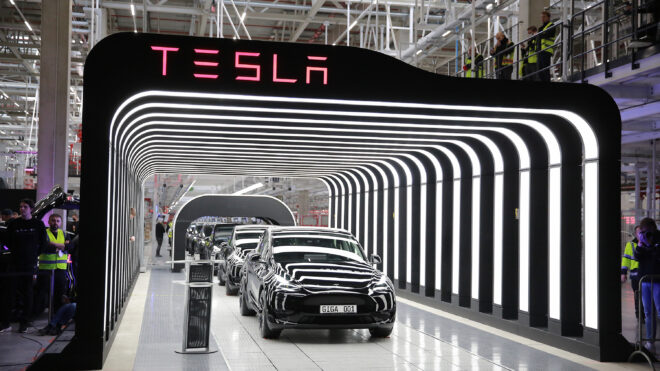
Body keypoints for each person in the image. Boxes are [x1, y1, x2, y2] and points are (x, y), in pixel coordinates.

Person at [5, 199, 48, 333]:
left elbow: (43, 243)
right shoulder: (13, 224)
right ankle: (5, 323)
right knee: (9, 293)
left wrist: (33, 254)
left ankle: (24, 322)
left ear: (31, 209)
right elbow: (8, 241)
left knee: (27, 293)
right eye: (20, 206)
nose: (22, 209)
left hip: (29, 264)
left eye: (25, 207)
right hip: (14, 263)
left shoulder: (38, 224)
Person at [35, 214, 70, 316]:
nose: (55, 223)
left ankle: (57, 315)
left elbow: (69, 247)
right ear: (49, 222)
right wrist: (62, 246)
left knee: (59, 294)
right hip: (46, 269)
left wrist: (53, 244)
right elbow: (45, 247)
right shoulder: (44, 234)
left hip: (60, 269)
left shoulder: (64, 234)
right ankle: (35, 315)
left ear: (61, 222)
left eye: (58, 221)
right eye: (53, 220)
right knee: (41, 293)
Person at [634, 217, 660, 352]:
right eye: (644, 231)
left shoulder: (658, 239)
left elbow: (657, 255)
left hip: (657, 280)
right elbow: (637, 257)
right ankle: (650, 342)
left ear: (653, 229)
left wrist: (649, 245)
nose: (647, 233)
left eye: (648, 231)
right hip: (644, 281)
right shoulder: (642, 241)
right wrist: (640, 243)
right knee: (648, 313)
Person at [622, 226, 643, 320]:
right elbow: (625, 260)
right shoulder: (630, 245)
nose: (640, 234)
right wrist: (623, 273)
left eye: (642, 232)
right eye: (638, 232)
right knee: (637, 296)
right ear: (635, 233)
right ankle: (639, 315)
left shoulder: (650, 243)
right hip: (635, 276)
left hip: (647, 275)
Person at [536, 11, 556, 82]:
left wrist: (539, 34)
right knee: (539, 71)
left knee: (545, 70)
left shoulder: (551, 25)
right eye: (541, 17)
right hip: (540, 51)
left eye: (544, 17)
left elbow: (547, 34)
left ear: (548, 17)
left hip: (547, 51)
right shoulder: (541, 28)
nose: (542, 18)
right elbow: (539, 39)